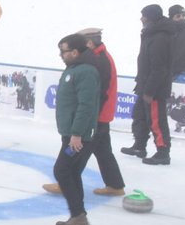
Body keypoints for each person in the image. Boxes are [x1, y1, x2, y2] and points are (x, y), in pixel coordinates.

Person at [44, 28, 125, 200]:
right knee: (103, 151)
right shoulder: (99, 57)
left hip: (96, 115)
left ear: (89, 43)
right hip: (101, 114)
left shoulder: (98, 61)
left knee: (77, 149)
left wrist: (90, 118)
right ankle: (115, 184)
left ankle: (66, 182)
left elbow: (96, 93)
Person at [50, 33, 101, 225]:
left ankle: (78, 216)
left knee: (62, 171)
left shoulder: (86, 72)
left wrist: (77, 134)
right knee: (71, 172)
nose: (60, 55)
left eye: (63, 51)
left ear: (75, 52)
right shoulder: (74, 69)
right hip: (71, 132)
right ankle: (78, 216)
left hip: (79, 135)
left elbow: (86, 105)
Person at [124, 4, 175, 165]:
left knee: (156, 120)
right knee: (139, 116)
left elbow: (159, 68)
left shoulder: (160, 37)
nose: (141, 18)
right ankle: (139, 145)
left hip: (154, 89)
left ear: (151, 17)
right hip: (144, 85)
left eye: (144, 15)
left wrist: (150, 91)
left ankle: (162, 152)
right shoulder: (150, 33)